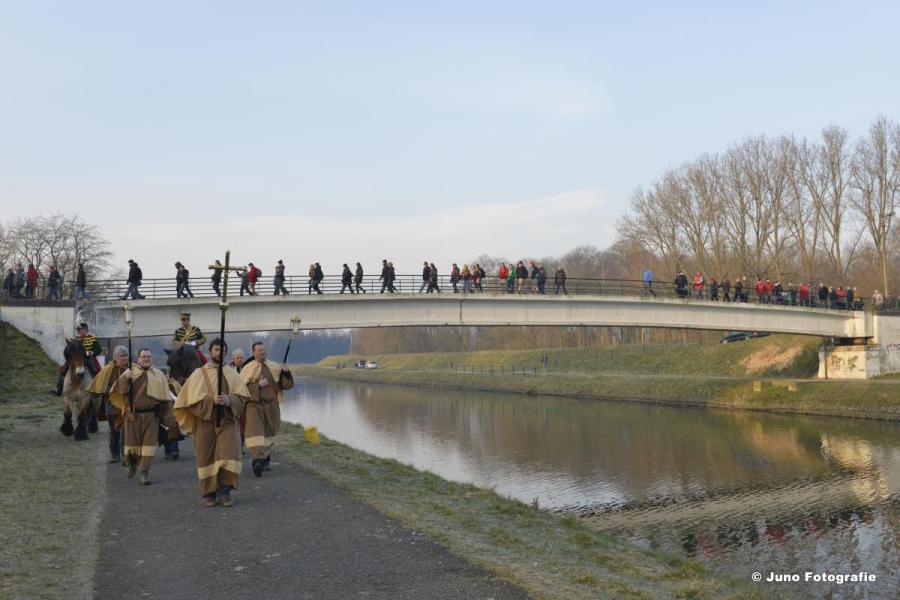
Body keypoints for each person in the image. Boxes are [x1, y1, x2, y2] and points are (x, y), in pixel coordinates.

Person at [174, 338, 250, 507]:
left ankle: (224, 492)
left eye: (223, 350)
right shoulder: (198, 374)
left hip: (227, 421)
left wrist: (229, 400)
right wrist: (210, 401)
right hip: (205, 422)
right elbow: (189, 402)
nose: (220, 352)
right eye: (216, 349)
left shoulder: (232, 374)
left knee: (229, 454)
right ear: (210, 352)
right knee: (206, 457)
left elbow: (242, 400)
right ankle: (209, 493)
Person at [113, 348, 170, 485]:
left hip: (151, 416)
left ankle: (144, 473)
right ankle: (132, 464)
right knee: (131, 445)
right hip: (133, 415)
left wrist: (167, 417)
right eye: (143, 356)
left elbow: (165, 397)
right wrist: (126, 378)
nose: (146, 359)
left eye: (148, 356)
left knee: (149, 446)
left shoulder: (159, 375)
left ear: (151, 358)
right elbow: (119, 390)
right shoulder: (130, 373)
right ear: (139, 358)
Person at [240, 341, 294, 477]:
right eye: (259, 350)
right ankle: (257, 461)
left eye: (264, 350)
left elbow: (285, 385)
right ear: (253, 352)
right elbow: (241, 389)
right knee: (255, 433)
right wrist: (257, 385)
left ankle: (264, 460)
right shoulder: (247, 368)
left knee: (268, 434)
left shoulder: (274, 367)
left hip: (271, 405)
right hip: (253, 405)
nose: (263, 352)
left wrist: (286, 373)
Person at [87, 346, 129, 463]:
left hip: (127, 406)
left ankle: (125, 454)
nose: (124, 358)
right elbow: (101, 386)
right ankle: (115, 454)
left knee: (127, 430)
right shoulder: (107, 369)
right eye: (122, 356)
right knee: (115, 431)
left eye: (126, 355)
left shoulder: (132, 368)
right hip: (112, 406)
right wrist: (113, 389)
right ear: (115, 357)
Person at [55, 322, 103, 396]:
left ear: (86, 330)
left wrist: (92, 352)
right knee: (63, 369)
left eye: (80, 329)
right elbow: (68, 350)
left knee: (94, 369)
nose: (79, 331)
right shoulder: (74, 339)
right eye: (78, 330)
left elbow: (98, 349)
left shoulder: (92, 339)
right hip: (76, 358)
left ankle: (95, 389)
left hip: (88, 357)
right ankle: (59, 387)